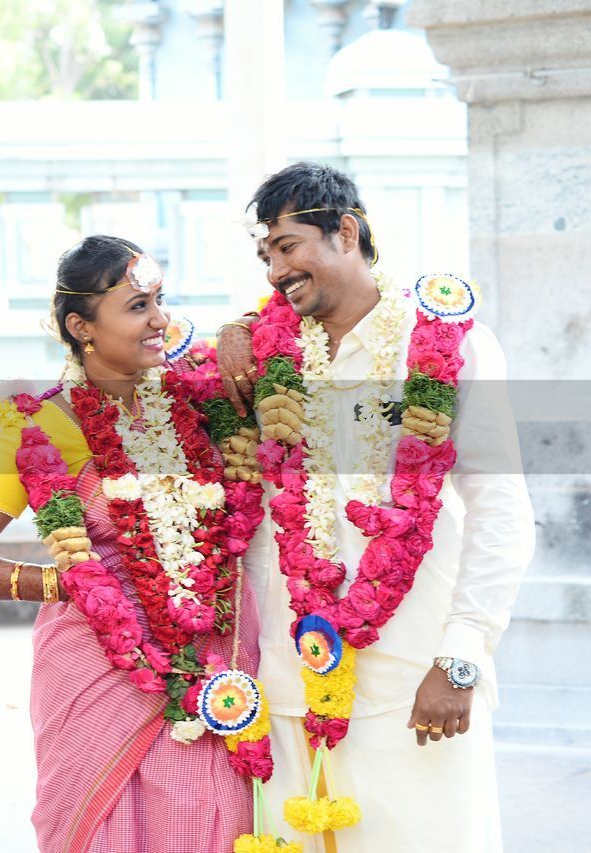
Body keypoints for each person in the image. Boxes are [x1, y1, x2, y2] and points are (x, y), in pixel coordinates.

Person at [216, 162, 534, 852]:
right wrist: (230, 331)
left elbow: (502, 509)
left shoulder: (449, 346)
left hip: (416, 685)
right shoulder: (265, 357)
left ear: (347, 231)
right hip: (293, 685)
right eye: (264, 254)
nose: (275, 269)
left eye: (289, 245)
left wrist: (461, 656)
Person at [0, 236, 265, 853]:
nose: (161, 320)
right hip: (99, 666)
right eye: (138, 306)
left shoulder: (197, 399)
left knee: (212, 825)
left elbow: (293, 327)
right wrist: (63, 584)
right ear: (82, 327)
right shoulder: (47, 424)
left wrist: (241, 325)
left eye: (161, 301)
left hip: (212, 660)